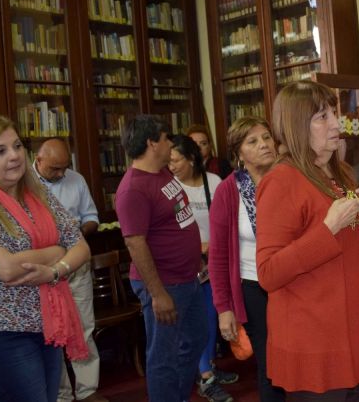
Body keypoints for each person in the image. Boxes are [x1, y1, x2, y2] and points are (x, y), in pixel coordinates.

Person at [256, 81, 359, 400]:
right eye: (322, 116)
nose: (336, 123)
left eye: (334, 112)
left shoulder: (338, 173)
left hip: (353, 332)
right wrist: (326, 230)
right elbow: (269, 272)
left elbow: (351, 244)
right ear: (296, 126)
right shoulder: (280, 181)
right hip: (316, 342)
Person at [0, 114, 89, 402]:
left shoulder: (39, 196)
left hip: (44, 327)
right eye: (0, 151)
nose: (14, 156)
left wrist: (53, 271)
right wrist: (58, 252)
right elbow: (8, 268)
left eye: (16, 146)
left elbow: (82, 247)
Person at [115, 115, 208, 402]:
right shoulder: (133, 189)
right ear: (152, 143)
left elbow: (179, 220)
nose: (171, 143)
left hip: (188, 277)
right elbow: (135, 242)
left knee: (197, 338)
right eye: (166, 138)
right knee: (163, 357)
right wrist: (157, 294)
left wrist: (197, 262)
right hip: (164, 285)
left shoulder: (163, 174)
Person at [208, 116, 285, 402]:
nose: (264, 144)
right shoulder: (228, 191)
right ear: (239, 154)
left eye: (266, 137)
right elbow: (217, 255)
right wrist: (223, 308)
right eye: (252, 141)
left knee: (297, 360)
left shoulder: (290, 179)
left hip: (292, 283)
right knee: (271, 366)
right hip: (254, 287)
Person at [33, 138, 107, 402]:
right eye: (54, 168)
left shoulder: (76, 179)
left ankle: (87, 391)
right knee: (53, 333)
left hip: (76, 265)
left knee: (83, 328)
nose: (61, 173)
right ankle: (62, 395)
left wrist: (76, 232)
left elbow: (92, 218)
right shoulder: (24, 183)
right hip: (44, 270)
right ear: (38, 160)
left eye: (65, 167)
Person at [168, 134, 238, 402]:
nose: (171, 166)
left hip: (215, 264)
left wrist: (214, 249)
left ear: (192, 159)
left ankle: (208, 366)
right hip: (186, 265)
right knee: (194, 324)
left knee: (212, 318)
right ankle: (205, 377)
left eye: (176, 161)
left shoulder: (215, 183)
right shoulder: (171, 188)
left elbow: (227, 220)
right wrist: (198, 247)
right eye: (169, 161)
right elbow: (172, 229)